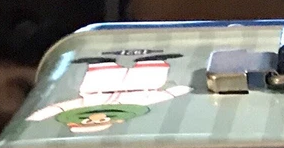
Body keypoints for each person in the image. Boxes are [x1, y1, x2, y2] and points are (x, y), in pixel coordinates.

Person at [25, 56, 190, 133]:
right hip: (141, 87)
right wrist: (179, 90)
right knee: (150, 78)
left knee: (99, 78)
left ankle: (103, 65)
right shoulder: (140, 102)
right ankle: (152, 62)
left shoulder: (84, 104)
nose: (97, 118)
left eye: (90, 121)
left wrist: (36, 117)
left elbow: (58, 108)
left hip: (97, 88)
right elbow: (165, 95)